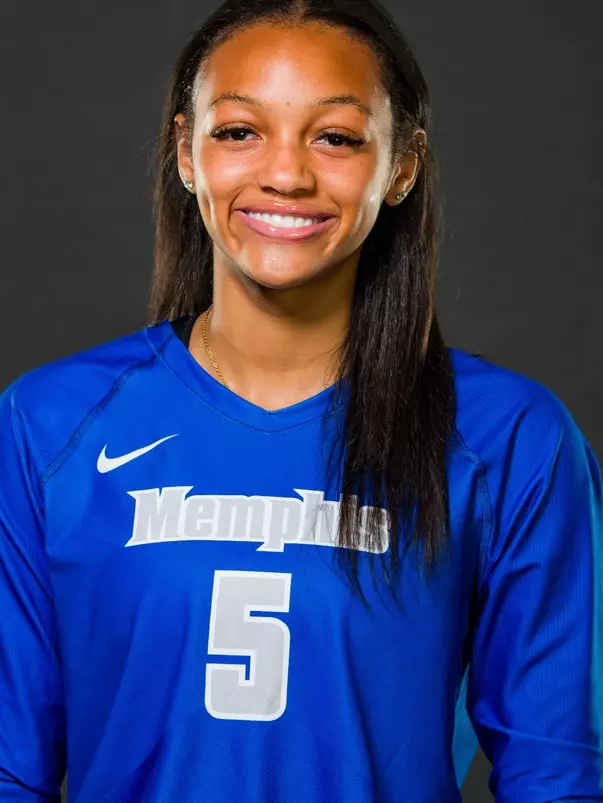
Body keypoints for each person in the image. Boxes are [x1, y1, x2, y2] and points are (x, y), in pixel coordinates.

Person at [0, 0, 601, 800]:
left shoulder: (511, 438)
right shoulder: (47, 425)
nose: (285, 174)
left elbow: (555, 774)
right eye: (238, 130)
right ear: (186, 152)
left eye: (336, 137)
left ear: (402, 166)